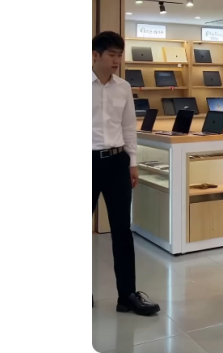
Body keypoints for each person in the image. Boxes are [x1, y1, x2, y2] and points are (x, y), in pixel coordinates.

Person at [92, 31, 160, 316]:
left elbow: (129, 127)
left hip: (117, 162)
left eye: (120, 55)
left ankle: (127, 295)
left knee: (122, 229)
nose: (117, 60)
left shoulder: (123, 87)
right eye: (112, 55)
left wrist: (133, 162)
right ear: (95, 55)